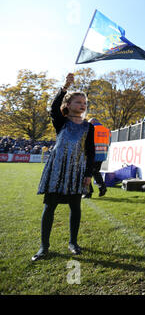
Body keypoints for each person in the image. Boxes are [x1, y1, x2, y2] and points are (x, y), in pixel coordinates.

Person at [32, 73, 95, 261]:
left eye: (84, 102)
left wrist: (88, 173)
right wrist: (65, 87)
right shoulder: (61, 122)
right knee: (49, 206)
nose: (82, 105)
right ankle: (44, 247)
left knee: (75, 207)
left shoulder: (88, 127)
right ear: (68, 105)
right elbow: (53, 108)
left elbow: (90, 151)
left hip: (77, 171)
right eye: (78, 102)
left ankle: (73, 243)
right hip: (57, 170)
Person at [84, 118, 111, 198]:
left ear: (92, 122)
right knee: (95, 172)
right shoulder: (107, 130)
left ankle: (88, 192)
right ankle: (102, 187)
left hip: (92, 154)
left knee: (86, 172)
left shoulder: (92, 129)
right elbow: (109, 142)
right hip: (102, 154)